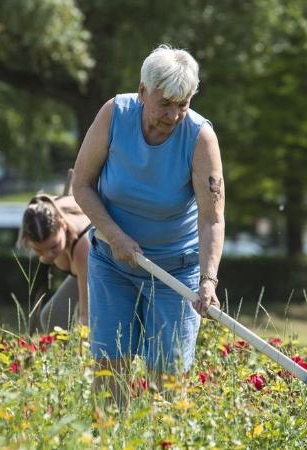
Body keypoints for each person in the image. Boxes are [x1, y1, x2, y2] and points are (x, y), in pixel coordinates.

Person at [71, 44, 225, 406]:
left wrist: (208, 280)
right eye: (165, 104)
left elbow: (211, 217)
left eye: (182, 104)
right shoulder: (115, 115)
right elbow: (81, 184)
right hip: (112, 263)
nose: (173, 115)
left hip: (175, 272)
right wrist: (115, 235)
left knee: (166, 383)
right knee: (111, 373)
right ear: (142, 92)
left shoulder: (200, 137)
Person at [20, 194, 91, 332]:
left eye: (54, 247)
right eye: (39, 250)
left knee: (86, 322)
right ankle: (62, 351)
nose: (48, 256)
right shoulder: (45, 219)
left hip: (112, 276)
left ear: (63, 225)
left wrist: (83, 348)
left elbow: (86, 314)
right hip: (82, 272)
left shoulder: (83, 247)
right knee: (51, 317)